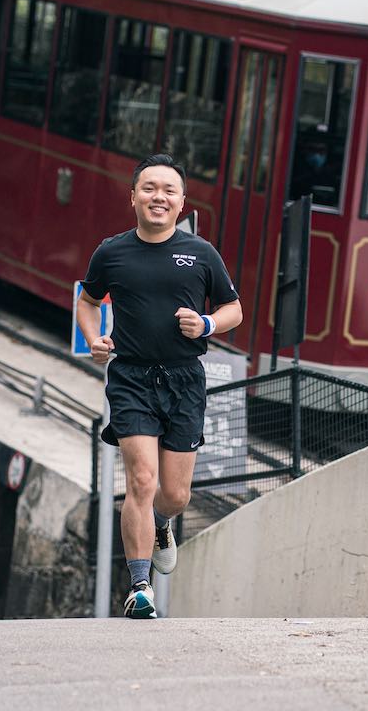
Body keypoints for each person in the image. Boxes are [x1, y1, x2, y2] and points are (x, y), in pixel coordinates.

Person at [77, 153, 243, 619]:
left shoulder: (202, 253)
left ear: (181, 201)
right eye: (149, 188)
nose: (158, 197)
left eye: (168, 190)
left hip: (185, 379)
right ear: (133, 197)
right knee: (141, 481)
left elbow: (235, 309)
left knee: (174, 495)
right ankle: (139, 585)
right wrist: (95, 339)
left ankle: (164, 525)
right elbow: (87, 303)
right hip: (130, 377)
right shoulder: (112, 251)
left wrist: (207, 323)